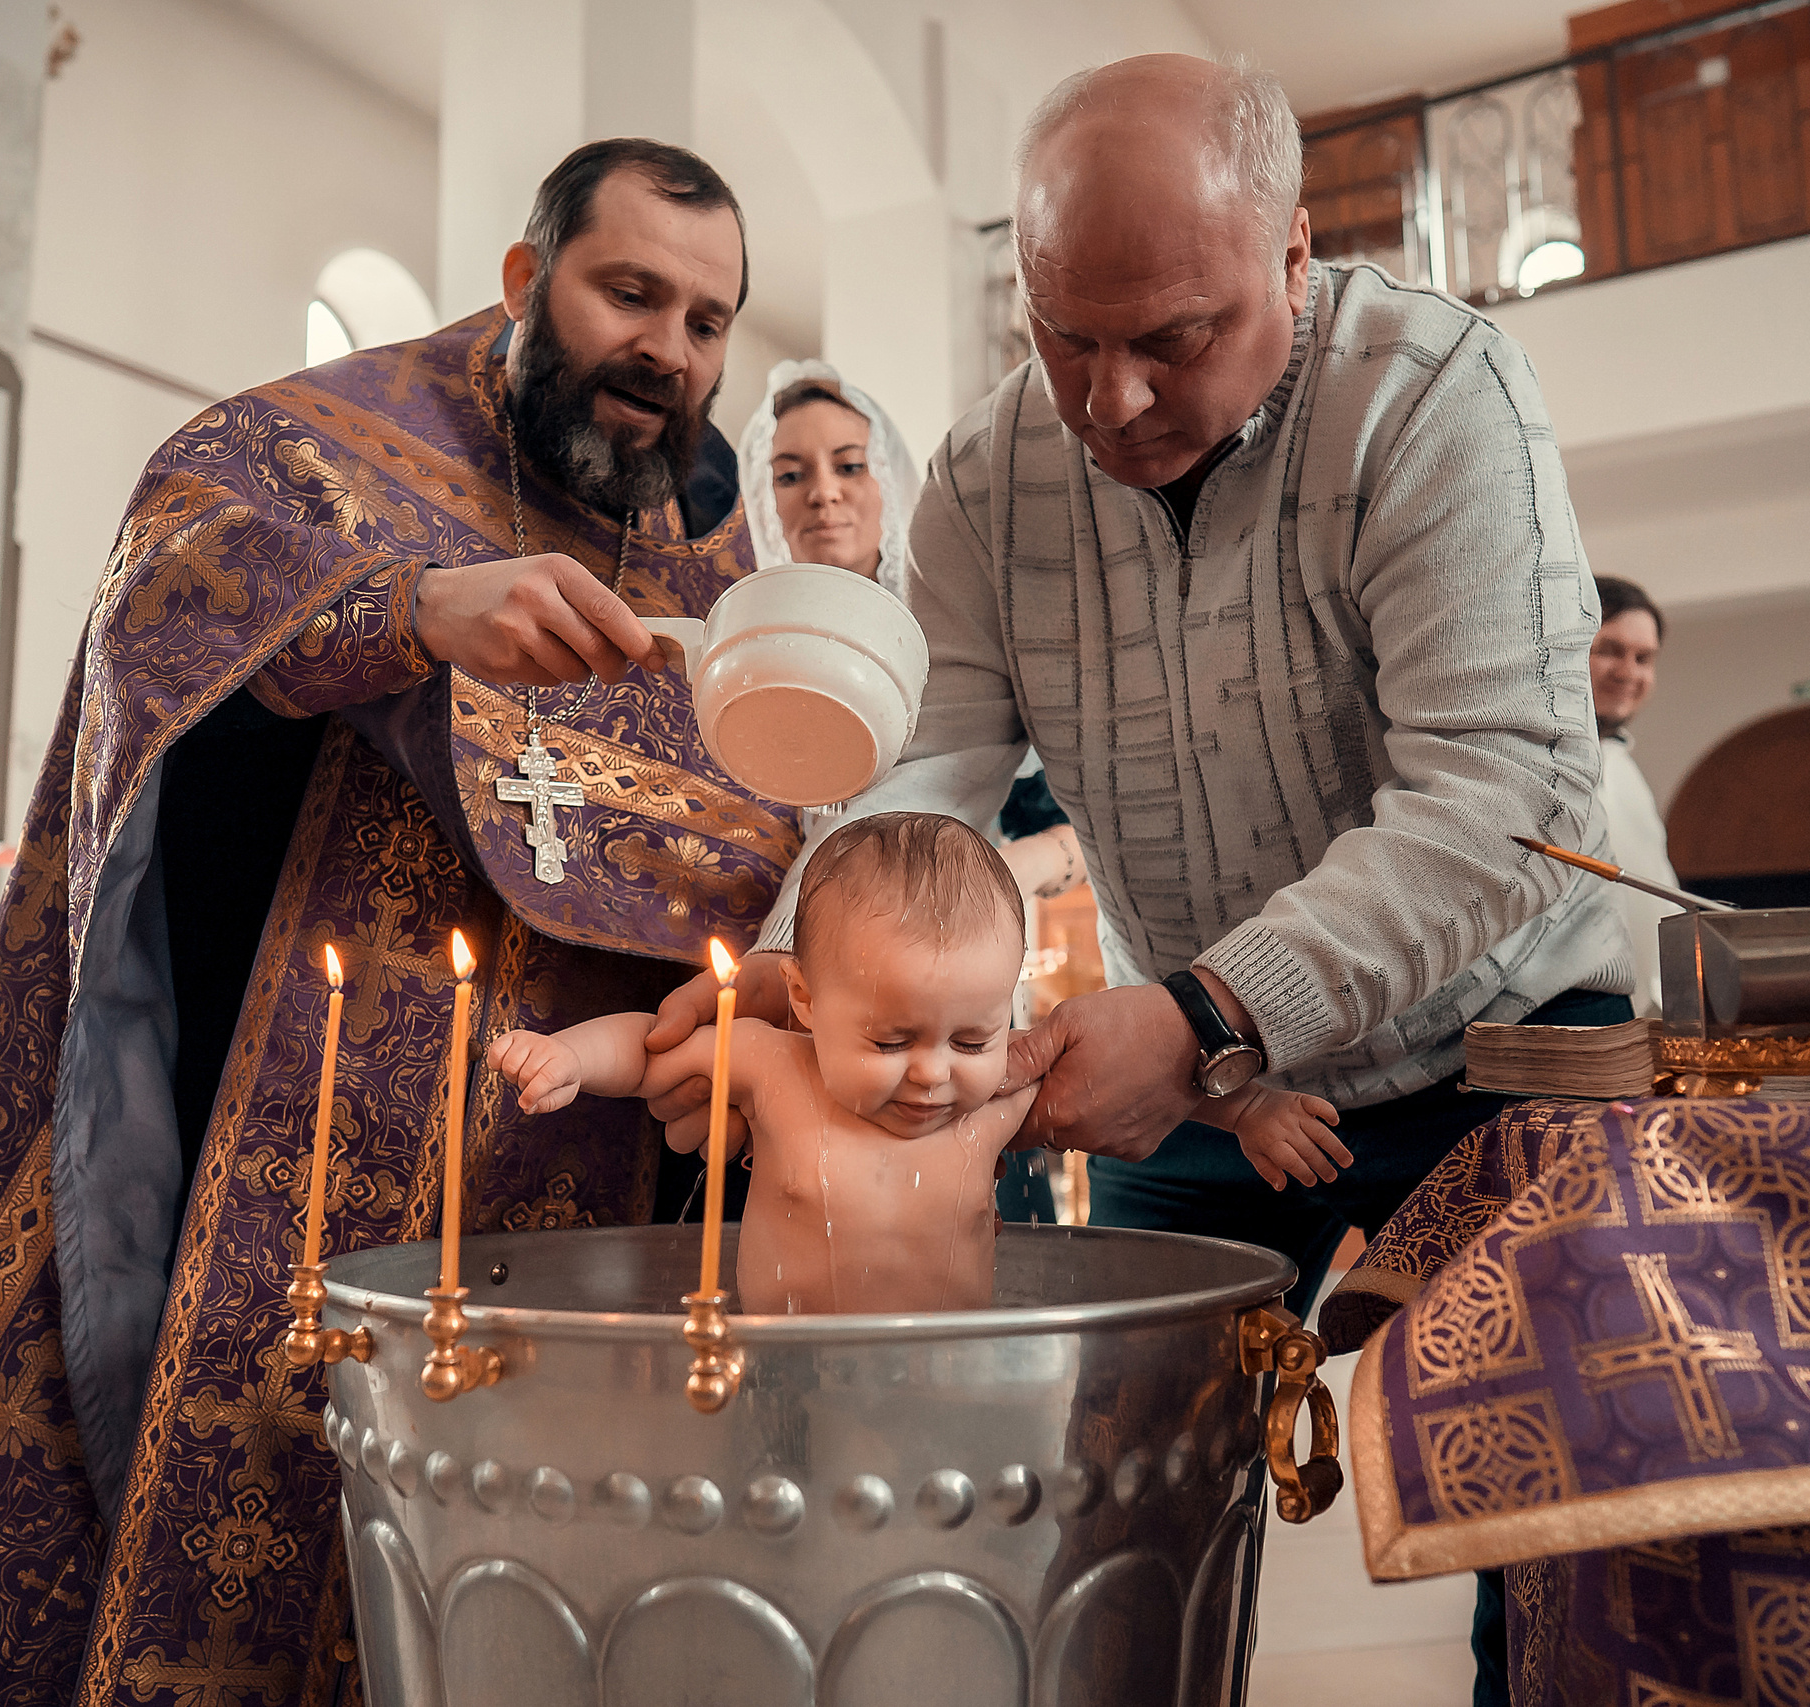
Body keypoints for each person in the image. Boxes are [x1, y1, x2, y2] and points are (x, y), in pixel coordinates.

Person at [643, 58, 1629, 1701]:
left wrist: (1204, 1004)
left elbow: (1509, 796)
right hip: (1208, 1089)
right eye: (1063, 336)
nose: (1108, 402)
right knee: (1111, 1495)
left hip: (1495, 1054)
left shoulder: (1437, 392)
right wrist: (782, 986)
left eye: (1175, 339)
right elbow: (918, 799)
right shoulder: (979, 480)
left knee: (1532, 1508)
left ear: (1295, 258)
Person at [0, 140, 795, 1707]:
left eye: (712, 320)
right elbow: (169, 566)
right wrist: (409, 605)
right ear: (531, 280)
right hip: (291, 1150)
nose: (673, 349)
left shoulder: (714, 549)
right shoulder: (336, 437)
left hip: (583, 1165)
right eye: (633, 293)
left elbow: (754, 821)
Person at [490, 813, 1343, 1313]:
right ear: (809, 999)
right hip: (784, 1366)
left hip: (948, 1368)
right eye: (890, 1042)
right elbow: (652, 1050)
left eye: (971, 1038)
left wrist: (1249, 1109)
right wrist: (569, 1055)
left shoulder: (997, 1093)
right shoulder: (775, 1064)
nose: (934, 1073)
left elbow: (1150, 1085)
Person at [736, 364, 1083, 1225]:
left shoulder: (955, 644)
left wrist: (976, 869)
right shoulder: (732, 652)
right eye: (790, 474)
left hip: (945, 1021)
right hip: (792, 1017)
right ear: (760, 494)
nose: (823, 494)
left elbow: (1072, 825)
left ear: (888, 476)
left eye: (850, 465)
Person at [1590, 576, 1682, 1013]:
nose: (1628, 672)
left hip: (1646, 1021)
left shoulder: (1624, 768)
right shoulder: (1533, 762)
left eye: (1643, 658)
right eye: (1608, 649)